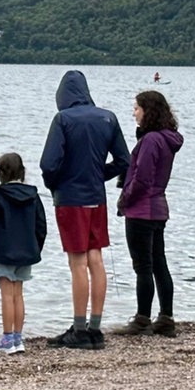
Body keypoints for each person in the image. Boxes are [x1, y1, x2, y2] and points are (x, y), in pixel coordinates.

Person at [39, 70, 130, 350]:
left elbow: (48, 165)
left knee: (77, 263)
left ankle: (79, 329)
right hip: (96, 198)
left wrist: (56, 185)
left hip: (71, 198)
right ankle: (95, 327)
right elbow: (124, 160)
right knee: (96, 259)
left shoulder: (63, 119)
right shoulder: (108, 117)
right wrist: (98, 174)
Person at [114, 90, 183, 337]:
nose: (134, 113)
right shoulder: (166, 139)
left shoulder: (151, 140)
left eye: (137, 108)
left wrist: (124, 199)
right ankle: (166, 316)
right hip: (158, 207)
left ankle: (142, 318)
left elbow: (142, 179)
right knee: (159, 264)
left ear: (148, 111)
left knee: (143, 266)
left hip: (142, 210)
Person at [0, 153, 47, 354]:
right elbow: (41, 226)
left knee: (7, 295)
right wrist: (35, 248)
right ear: (22, 171)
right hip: (27, 250)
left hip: (4, 250)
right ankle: (18, 337)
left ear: (0, 174)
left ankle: (7, 339)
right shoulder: (33, 195)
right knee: (18, 294)